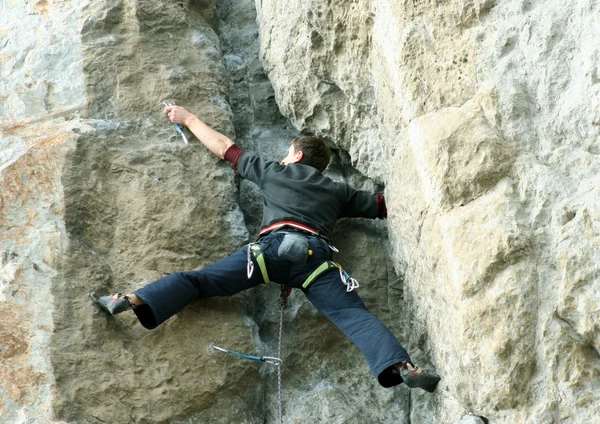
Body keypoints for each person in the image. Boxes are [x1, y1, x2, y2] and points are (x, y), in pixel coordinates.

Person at [94, 105, 441, 392]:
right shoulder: (339, 192)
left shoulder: (274, 172)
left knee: (199, 282)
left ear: (297, 155)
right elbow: (386, 205)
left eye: (287, 152)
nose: (283, 156)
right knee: (354, 316)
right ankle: (403, 366)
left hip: (266, 256)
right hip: (315, 262)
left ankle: (130, 299)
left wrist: (187, 119)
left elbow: (223, 147)